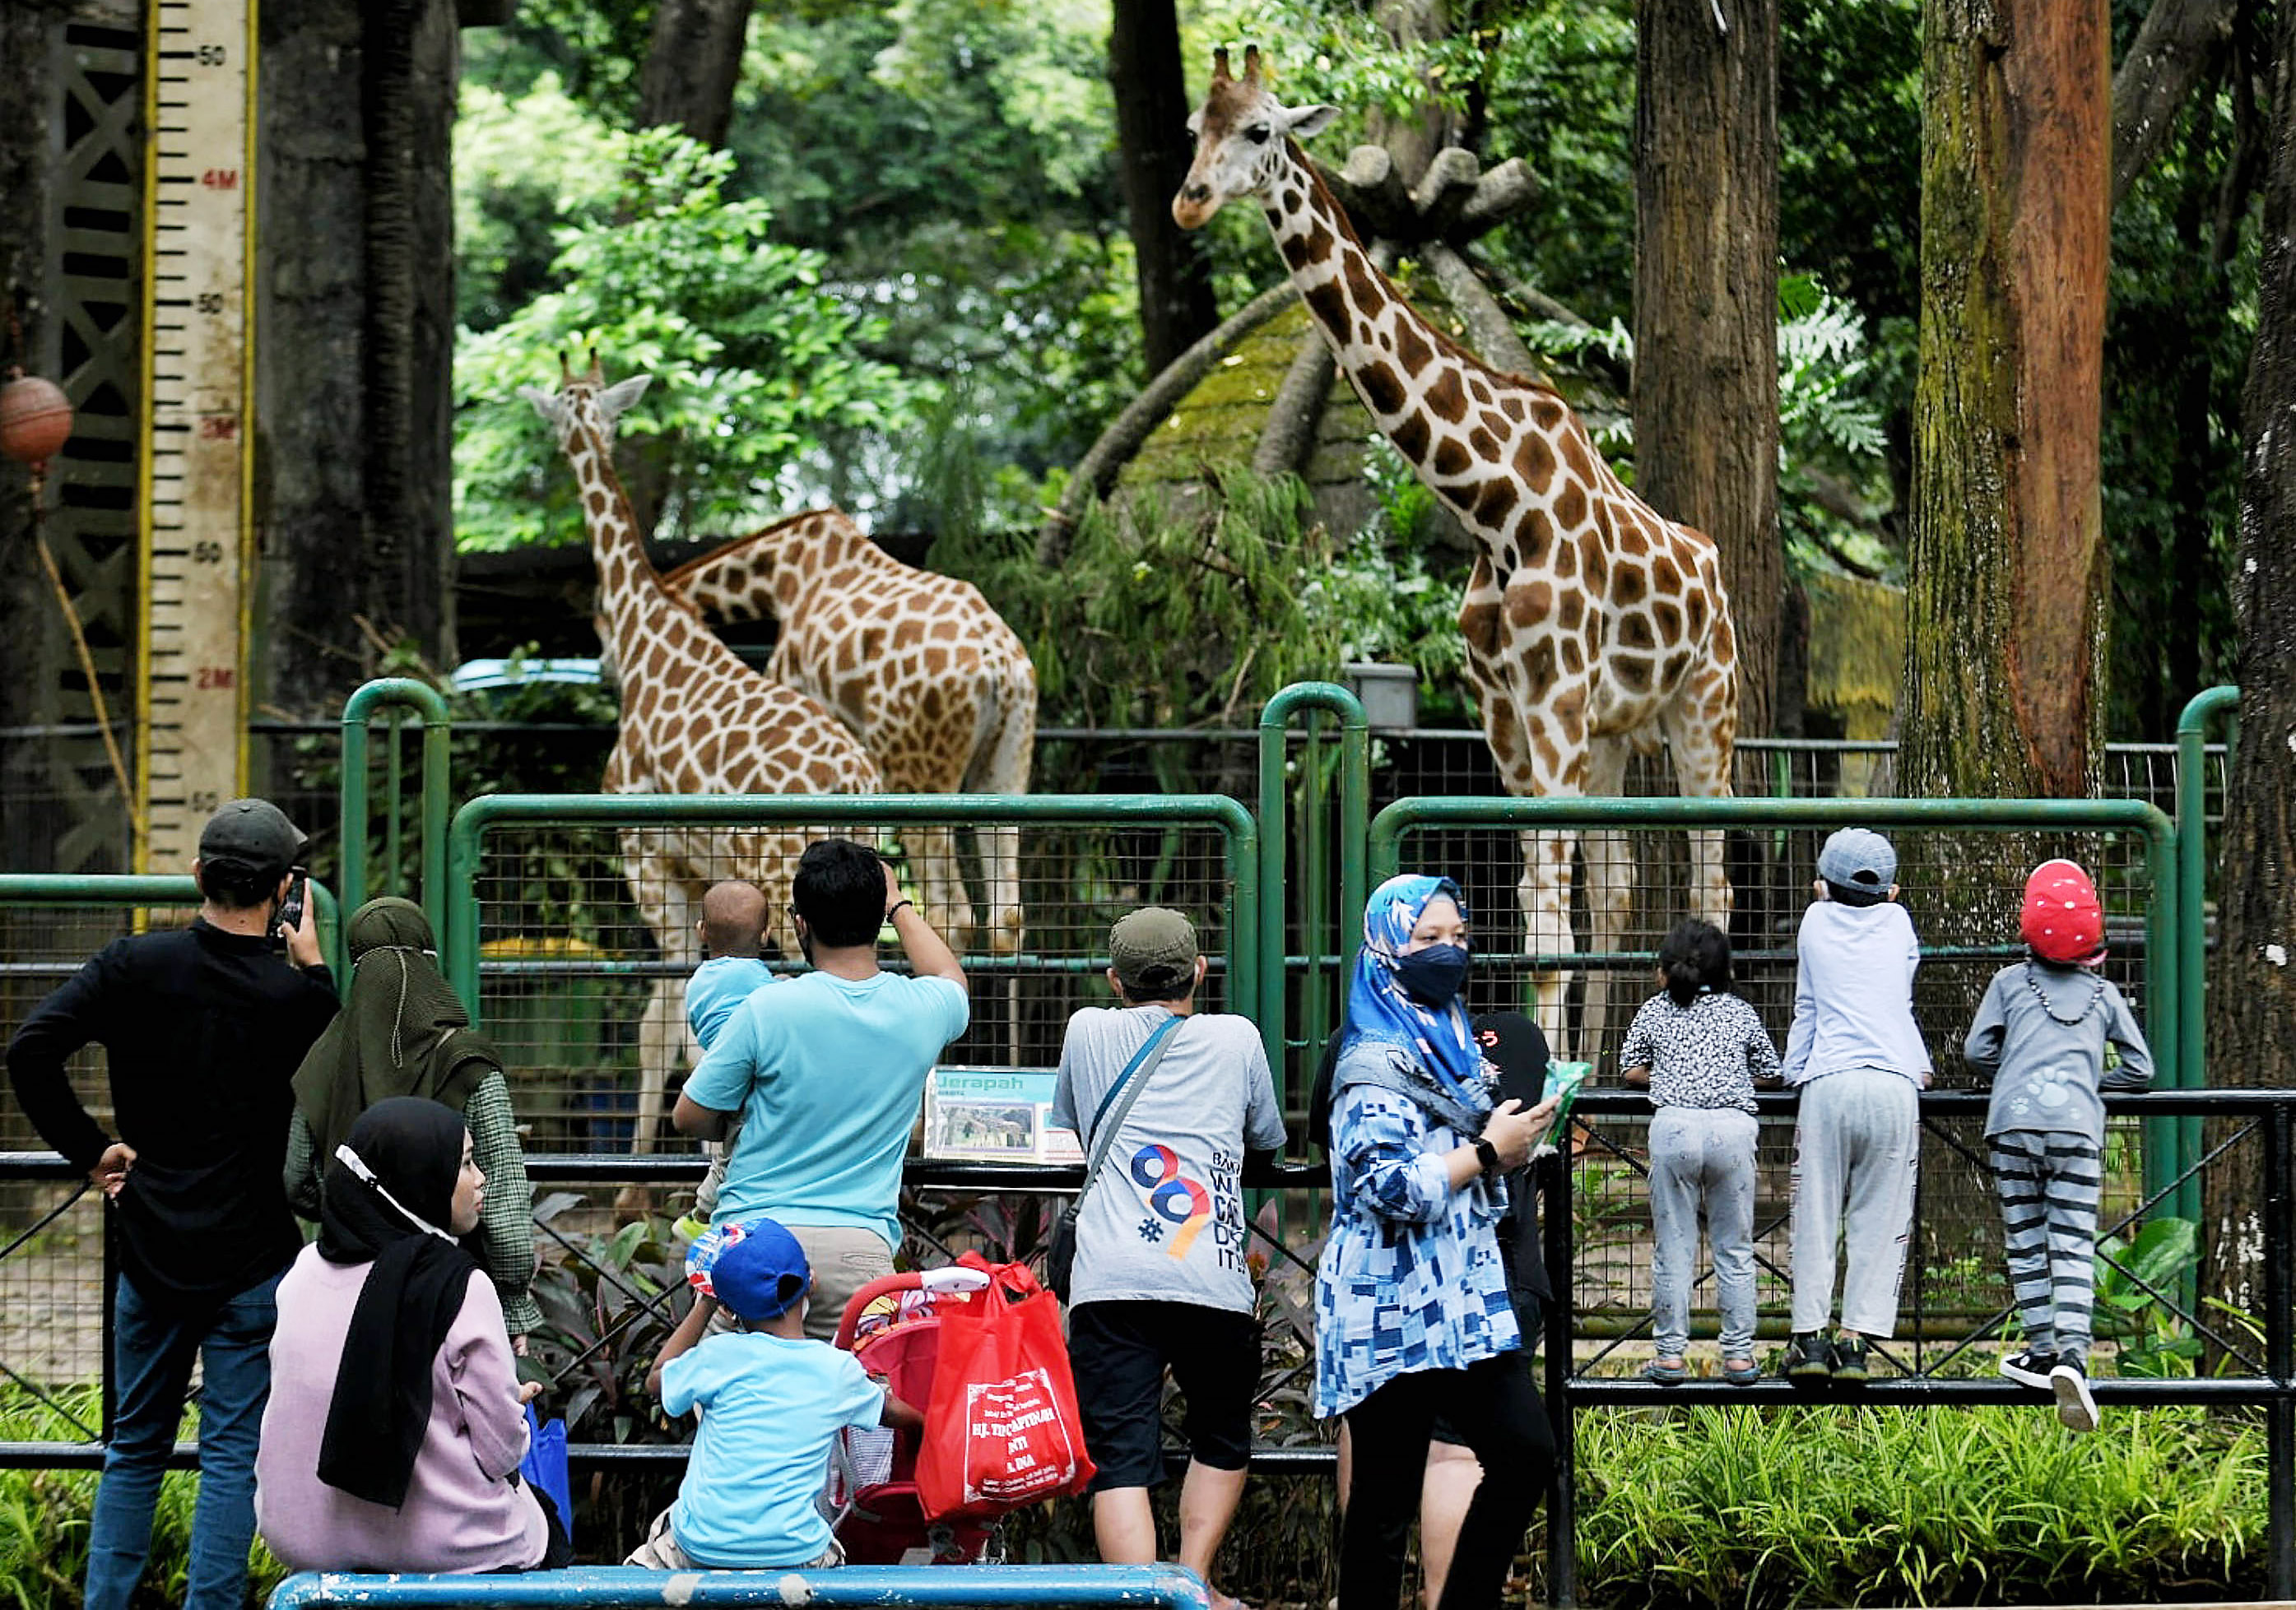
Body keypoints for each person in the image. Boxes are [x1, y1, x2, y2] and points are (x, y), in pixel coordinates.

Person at [6, 798, 339, 1610]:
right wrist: (316, 970)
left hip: (150, 1248)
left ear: (197, 876)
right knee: (231, 1456)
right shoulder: (295, 1001)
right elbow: (332, 1085)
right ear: (287, 891)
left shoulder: (132, 966)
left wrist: (92, 1151)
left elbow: (31, 1050)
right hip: (253, 1257)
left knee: (133, 1450)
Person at [1316, 874, 1557, 1610]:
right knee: (1384, 1502)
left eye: (1457, 936)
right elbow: (1383, 1185)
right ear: (1386, 947)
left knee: (1526, 1454)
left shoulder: (1451, 1039)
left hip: (1464, 1298)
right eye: (1428, 939)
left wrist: (1512, 1136)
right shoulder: (1369, 1060)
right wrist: (1489, 1152)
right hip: (1389, 1301)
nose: (1449, 951)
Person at [1047, 907, 1286, 1607]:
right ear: (1200, 972)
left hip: (1109, 1279)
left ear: (1113, 978)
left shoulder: (1086, 1029)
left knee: (1119, 1456)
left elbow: (1071, 1121)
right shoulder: (1236, 1037)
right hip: (1210, 1273)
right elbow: (1264, 1136)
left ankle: (1143, 1599)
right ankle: (1194, 1582)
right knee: (1221, 1433)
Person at [255, 1097, 569, 1572]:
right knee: (546, 1526)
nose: (481, 1177)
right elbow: (501, 1451)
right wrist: (511, 1407)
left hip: (298, 1536)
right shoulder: (459, 1285)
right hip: (441, 1543)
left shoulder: (300, 1276)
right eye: (464, 1163)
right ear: (418, 1179)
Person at [673, 839, 968, 1339]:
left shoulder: (768, 1008)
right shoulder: (924, 1009)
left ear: (799, 924)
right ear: (879, 919)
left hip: (753, 1242)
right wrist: (898, 905)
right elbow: (949, 974)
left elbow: (689, 1116)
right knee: (856, 1412)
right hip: (859, 1254)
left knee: (740, 1410)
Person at [283, 897, 541, 1338]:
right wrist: (513, 1299)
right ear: (430, 962)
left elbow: (296, 1178)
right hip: (451, 1289)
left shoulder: (324, 1059)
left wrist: (359, 1214)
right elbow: (502, 1194)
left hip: (348, 1293)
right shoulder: (467, 1062)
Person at [1964, 858, 2154, 1433]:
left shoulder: (2007, 983)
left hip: (2013, 1127)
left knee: (2026, 1241)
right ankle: (2073, 1354)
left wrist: (2015, 1070)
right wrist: (2089, 1083)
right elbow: (2142, 1067)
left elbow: (1977, 1051)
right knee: (2072, 1244)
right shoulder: (2104, 994)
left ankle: (2041, 1349)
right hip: (2077, 1130)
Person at [626, 1216, 922, 1571]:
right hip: (794, 1553)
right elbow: (893, 1412)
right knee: (828, 1545)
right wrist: (929, 1425)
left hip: (702, 1549)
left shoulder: (719, 1355)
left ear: (729, 1310)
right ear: (810, 1281)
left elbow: (656, 1379)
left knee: (661, 1541)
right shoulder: (836, 1370)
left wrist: (703, 1304)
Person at [1779, 828, 1931, 1383]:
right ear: (1890, 893)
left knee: (1816, 1213)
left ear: (1822, 885)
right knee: (1882, 1216)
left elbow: (1808, 1006)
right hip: (1895, 1083)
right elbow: (1900, 1000)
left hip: (1830, 1081)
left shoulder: (1815, 922)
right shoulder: (1901, 924)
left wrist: (1793, 1069)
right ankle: (1856, 1342)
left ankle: (1810, 1339)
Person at [1619, 918, 1781, 1386]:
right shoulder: (1740, 1011)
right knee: (1735, 1248)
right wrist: (1725, 1082)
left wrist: (1675, 1080)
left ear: (1666, 969)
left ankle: (1669, 1356)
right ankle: (1740, 1356)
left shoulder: (1654, 1010)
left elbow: (1631, 1070)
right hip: (1732, 1128)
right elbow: (1770, 1071)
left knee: (1673, 1248)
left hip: (1674, 1127)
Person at [679, 879, 779, 1239]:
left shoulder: (697, 981)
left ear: (701, 931)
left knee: (724, 1150)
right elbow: (771, 1011)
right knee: (731, 1156)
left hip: (718, 1073)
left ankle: (705, 1214)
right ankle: (702, 1216)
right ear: (766, 934)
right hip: (750, 1078)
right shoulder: (758, 980)